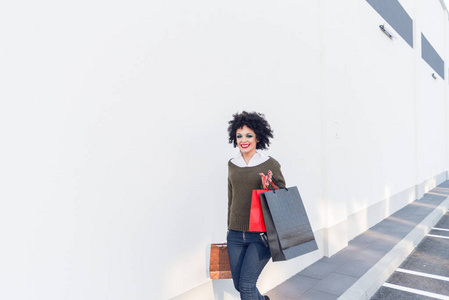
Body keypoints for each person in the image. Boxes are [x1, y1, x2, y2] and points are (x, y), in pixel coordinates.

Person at [226, 111, 286, 300]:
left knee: (246, 285)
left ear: (258, 137)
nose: (243, 140)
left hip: (260, 235)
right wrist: (228, 228)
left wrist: (268, 185)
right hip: (235, 234)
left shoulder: (269, 163)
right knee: (239, 285)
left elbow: (282, 195)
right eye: (239, 136)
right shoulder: (232, 164)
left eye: (248, 135)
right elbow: (231, 196)